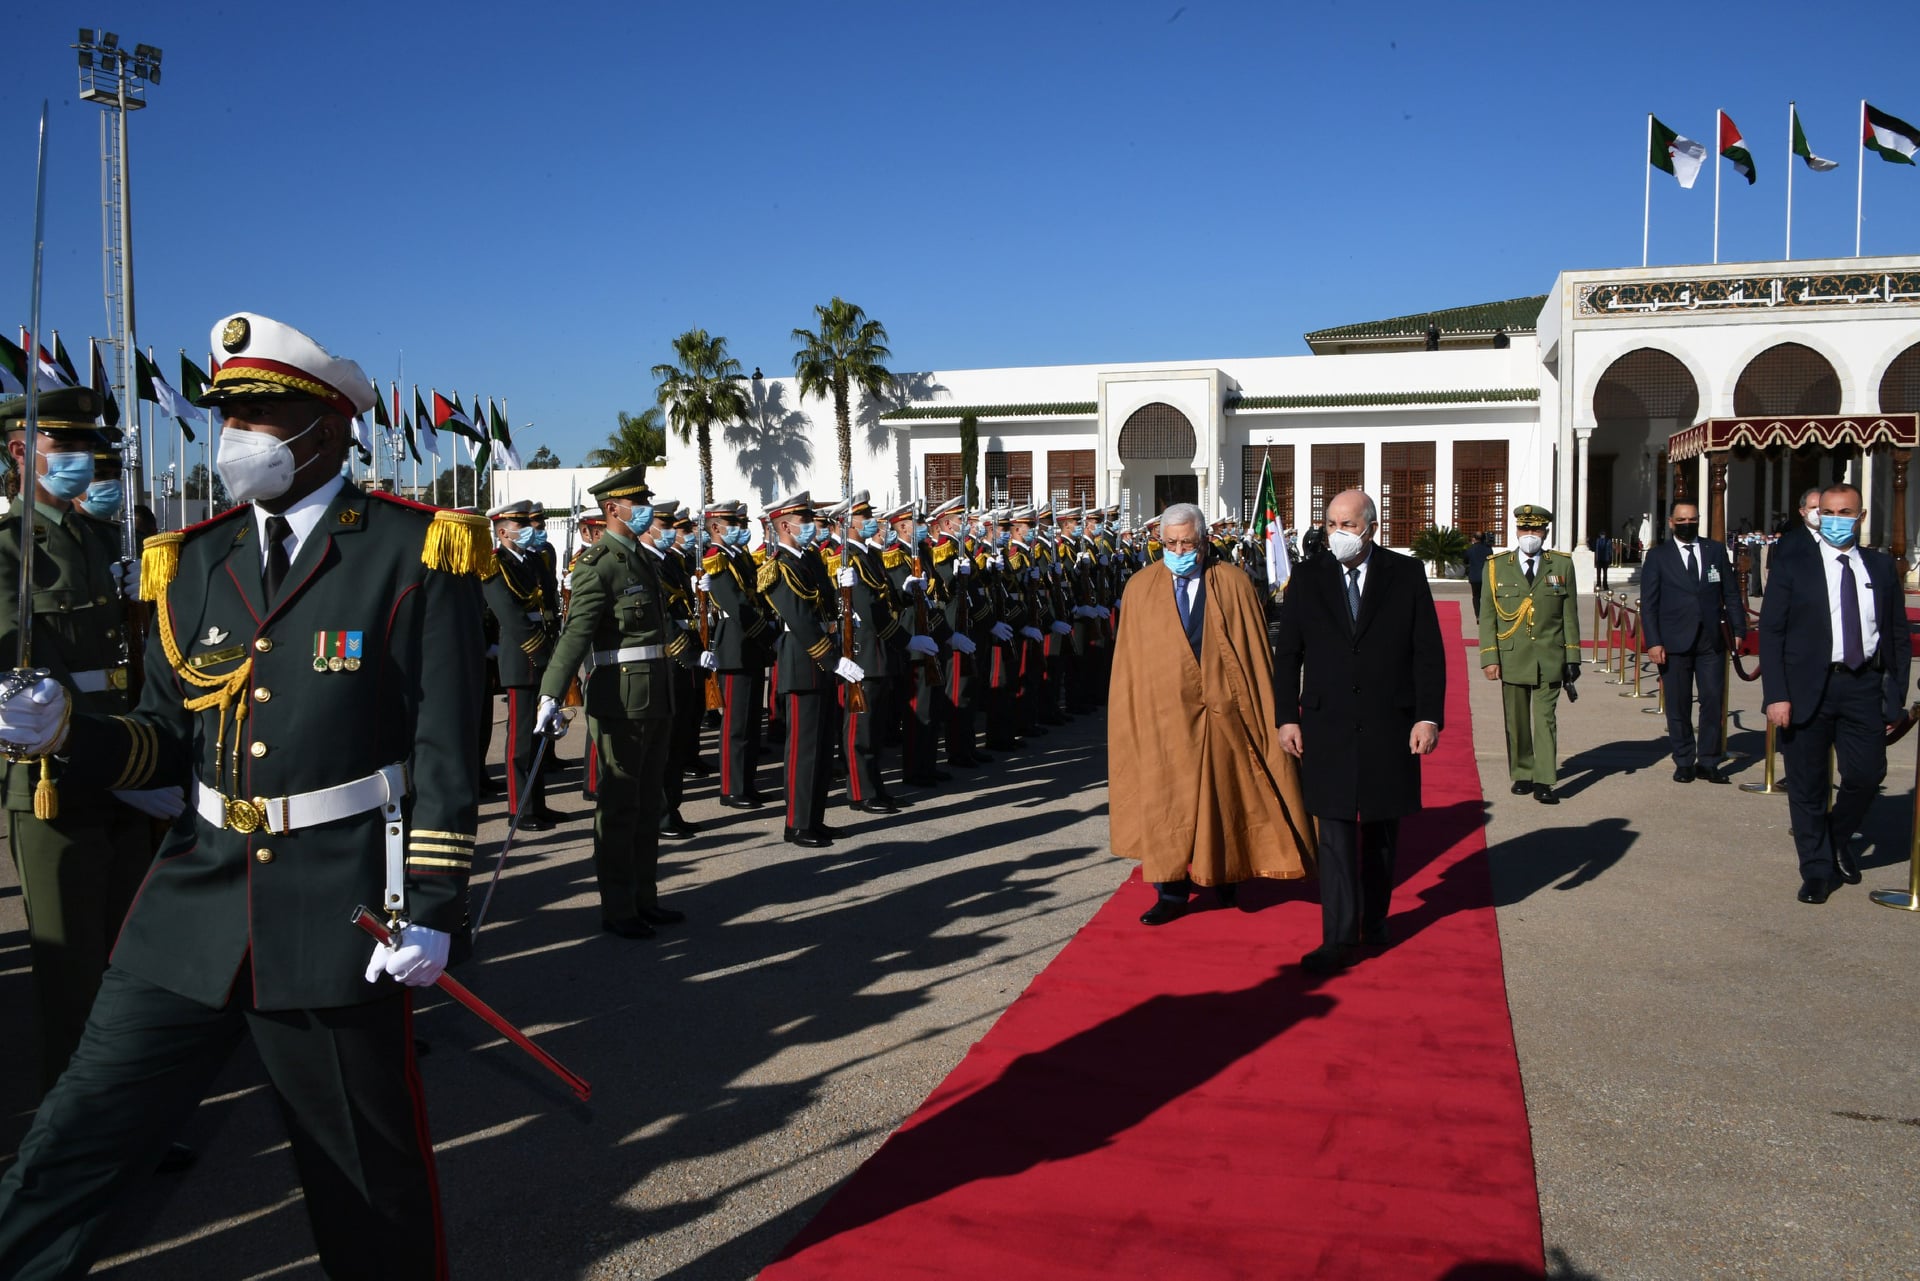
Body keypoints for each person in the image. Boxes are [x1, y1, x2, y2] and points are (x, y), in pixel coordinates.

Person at [0, 313, 489, 1277]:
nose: (239, 440)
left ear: (329, 428)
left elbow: (445, 752)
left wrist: (431, 907)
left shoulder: (411, 549)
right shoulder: (190, 562)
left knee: (364, 1184)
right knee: (74, 1142)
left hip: (339, 911)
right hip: (195, 900)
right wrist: (65, 731)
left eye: (262, 416)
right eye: (230, 417)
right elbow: (165, 741)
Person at [0, 389, 165, 1100]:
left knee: (128, 954)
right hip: (54, 783)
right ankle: (73, 1124)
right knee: (72, 971)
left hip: (127, 768)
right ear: (19, 451)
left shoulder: (100, 541)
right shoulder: (11, 551)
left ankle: (123, 1108)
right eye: (64, 448)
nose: (80, 463)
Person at [1110, 501, 1312, 926]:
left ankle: (1226, 876)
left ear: (1203, 543)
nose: (1179, 549)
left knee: (1225, 796)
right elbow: (1130, 665)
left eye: (1187, 542)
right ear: (1158, 542)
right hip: (1165, 718)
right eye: (1170, 542)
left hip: (1224, 711)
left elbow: (1256, 654)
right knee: (1168, 802)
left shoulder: (1233, 583)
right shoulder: (1141, 588)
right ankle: (1171, 891)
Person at [1274, 490, 1445, 973]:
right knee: (1333, 829)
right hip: (1326, 723)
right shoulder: (1308, 578)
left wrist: (1427, 717)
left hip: (1390, 721)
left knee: (1381, 827)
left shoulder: (1404, 575)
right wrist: (1287, 715)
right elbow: (1289, 654)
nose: (1337, 534)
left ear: (1370, 526)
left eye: (1346, 525)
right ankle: (1337, 937)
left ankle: (1374, 919)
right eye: (1330, 524)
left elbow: (1427, 652)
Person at [538, 467, 705, 937]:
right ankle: (618, 908)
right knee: (619, 807)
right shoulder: (599, 563)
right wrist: (552, 692)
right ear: (613, 509)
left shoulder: (642, 559)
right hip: (621, 697)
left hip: (656, 693)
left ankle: (644, 897)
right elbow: (577, 634)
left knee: (649, 801)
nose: (647, 510)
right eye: (638, 503)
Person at [1758, 483, 1912, 904]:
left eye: (1845, 513)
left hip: (1862, 685)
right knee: (1808, 785)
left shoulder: (1879, 568)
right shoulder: (1794, 563)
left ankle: (1836, 834)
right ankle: (1817, 870)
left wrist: (1896, 693)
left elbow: (1897, 635)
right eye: (1828, 512)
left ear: (1859, 518)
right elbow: (1771, 632)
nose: (1835, 520)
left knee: (1866, 774)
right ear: (1816, 515)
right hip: (1806, 687)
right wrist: (1776, 694)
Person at [759, 491, 865, 847]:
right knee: (803, 748)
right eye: (805, 521)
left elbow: (825, 608)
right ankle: (797, 823)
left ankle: (815, 819)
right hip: (803, 660)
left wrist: (842, 588)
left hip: (821, 660)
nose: (812, 527)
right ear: (785, 526)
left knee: (821, 748)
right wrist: (832, 659)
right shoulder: (778, 566)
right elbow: (801, 620)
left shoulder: (811, 560)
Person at [1479, 503, 1580, 804]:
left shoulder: (1561, 565)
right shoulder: (1496, 565)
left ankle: (1545, 779)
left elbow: (1569, 615)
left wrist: (1572, 658)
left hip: (1550, 657)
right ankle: (1523, 772)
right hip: (1512, 656)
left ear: (1546, 532)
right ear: (1516, 531)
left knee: (1545, 720)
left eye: (1536, 529)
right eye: (1525, 529)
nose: (1530, 535)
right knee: (1517, 720)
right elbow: (1487, 616)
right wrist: (1489, 657)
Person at [1640, 501, 1745, 784]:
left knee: (1712, 700)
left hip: (1711, 639)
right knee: (1678, 703)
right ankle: (1684, 760)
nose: (1688, 523)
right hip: (1673, 641)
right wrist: (1653, 641)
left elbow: (1731, 593)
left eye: (1693, 518)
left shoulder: (1714, 550)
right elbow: (1649, 604)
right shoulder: (1659, 556)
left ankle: (1709, 760)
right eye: (1682, 519)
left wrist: (1738, 628)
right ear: (1672, 522)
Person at [482, 498, 561, 829]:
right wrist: (542, 652)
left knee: (540, 734)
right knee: (521, 741)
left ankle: (538, 804)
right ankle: (520, 809)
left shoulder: (533, 560)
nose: (530, 531)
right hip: (522, 657)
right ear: (503, 532)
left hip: (544, 651)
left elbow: (549, 601)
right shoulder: (494, 565)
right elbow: (511, 617)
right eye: (521, 526)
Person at [1465, 530, 1494, 616]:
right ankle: (1486, 614)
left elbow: (1465, 561)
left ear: (1474, 539)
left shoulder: (1470, 550)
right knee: (1486, 596)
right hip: (1486, 576)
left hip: (1474, 577)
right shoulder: (1488, 549)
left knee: (1476, 597)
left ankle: (1478, 615)